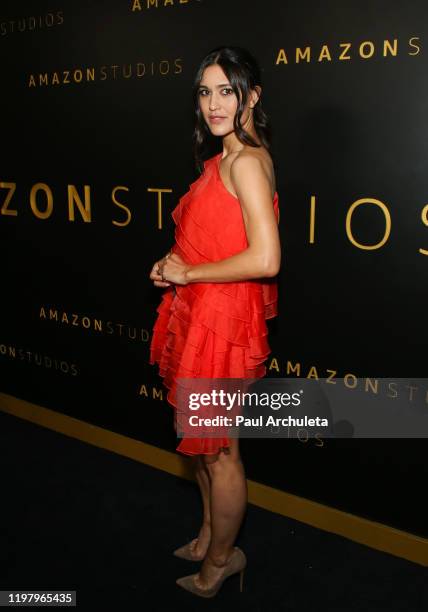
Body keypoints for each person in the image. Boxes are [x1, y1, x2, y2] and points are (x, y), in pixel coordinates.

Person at [149, 45, 281, 598]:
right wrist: (172, 269)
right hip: (203, 311)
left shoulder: (247, 161)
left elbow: (267, 259)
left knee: (221, 452)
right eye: (205, 91)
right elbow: (209, 240)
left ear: (251, 96)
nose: (213, 103)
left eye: (226, 90)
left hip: (222, 323)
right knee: (201, 445)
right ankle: (208, 534)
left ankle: (223, 560)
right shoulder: (223, 158)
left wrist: (190, 273)